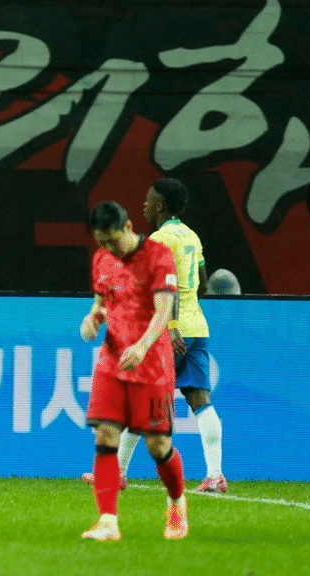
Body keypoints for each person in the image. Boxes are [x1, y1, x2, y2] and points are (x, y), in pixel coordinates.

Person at [83, 179, 227, 493]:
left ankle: (116, 473)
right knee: (201, 401)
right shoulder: (191, 236)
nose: (145, 204)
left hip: (169, 331)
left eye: (149, 199)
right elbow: (201, 282)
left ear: (160, 205)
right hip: (198, 327)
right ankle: (215, 474)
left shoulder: (159, 240)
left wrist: (171, 328)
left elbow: (163, 288)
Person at [79, 201, 188, 541]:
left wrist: (141, 347)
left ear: (127, 228)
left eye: (112, 240)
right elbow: (101, 302)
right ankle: (108, 521)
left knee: (158, 446)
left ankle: (176, 503)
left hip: (151, 365)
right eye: (101, 242)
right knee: (105, 435)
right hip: (112, 361)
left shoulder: (158, 256)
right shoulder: (101, 259)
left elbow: (163, 311)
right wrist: (91, 317)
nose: (108, 248)